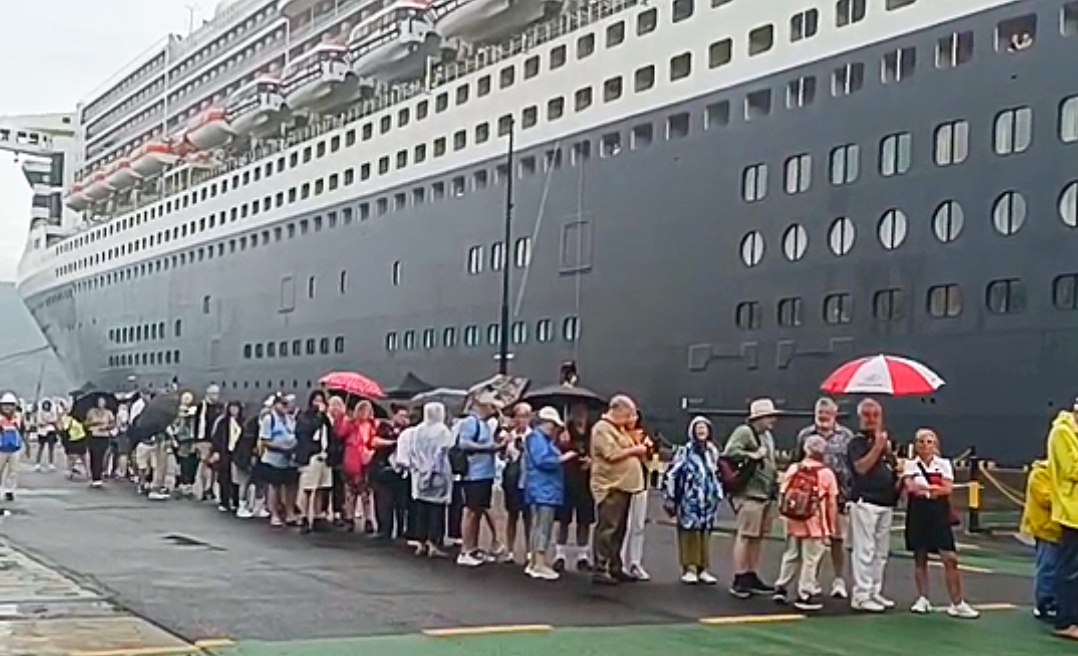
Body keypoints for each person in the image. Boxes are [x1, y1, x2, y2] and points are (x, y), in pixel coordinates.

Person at [902, 429, 979, 619]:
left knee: (950, 557)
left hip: (938, 513)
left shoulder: (944, 465)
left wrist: (926, 490)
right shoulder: (910, 465)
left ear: (935, 445)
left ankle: (957, 602)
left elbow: (947, 489)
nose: (925, 445)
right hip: (918, 512)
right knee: (920, 556)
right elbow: (910, 487)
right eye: (921, 442)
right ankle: (922, 598)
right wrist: (931, 489)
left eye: (929, 441)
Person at [796, 397, 856, 599]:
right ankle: (811, 581)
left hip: (838, 498)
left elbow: (852, 466)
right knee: (813, 543)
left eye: (827, 414)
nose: (823, 418)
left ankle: (839, 580)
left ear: (835, 414)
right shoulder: (805, 435)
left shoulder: (846, 436)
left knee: (838, 540)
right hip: (811, 501)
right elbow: (797, 462)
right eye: (820, 414)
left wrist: (850, 495)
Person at [723, 398, 781, 599]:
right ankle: (740, 577)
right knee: (746, 535)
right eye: (770, 416)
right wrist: (753, 455)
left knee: (757, 536)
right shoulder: (744, 432)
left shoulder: (768, 436)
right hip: (749, 493)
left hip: (764, 494)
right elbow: (730, 452)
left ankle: (751, 574)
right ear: (759, 418)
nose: (773, 420)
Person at [773, 435, 838, 611]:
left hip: (793, 519)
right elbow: (831, 502)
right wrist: (831, 526)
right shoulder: (826, 473)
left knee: (791, 554)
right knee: (811, 559)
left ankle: (781, 586)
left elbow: (783, 492)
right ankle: (805, 593)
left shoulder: (794, 468)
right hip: (814, 522)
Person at [847, 398, 899, 613]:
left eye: (875, 415)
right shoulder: (856, 443)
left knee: (880, 551)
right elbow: (861, 468)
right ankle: (861, 594)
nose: (871, 419)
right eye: (867, 415)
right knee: (865, 549)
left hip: (886, 502)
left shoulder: (887, 442)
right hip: (865, 502)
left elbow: (892, 468)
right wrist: (877, 448)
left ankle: (874, 591)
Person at [589, 395, 646, 585]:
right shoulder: (602, 429)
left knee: (620, 528)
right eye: (628, 413)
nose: (631, 417)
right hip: (611, 486)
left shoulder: (619, 429)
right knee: (608, 527)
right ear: (618, 410)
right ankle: (601, 567)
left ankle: (615, 565)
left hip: (625, 486)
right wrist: (635, 450)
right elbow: (611, 454)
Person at [663, 416, 722, 585]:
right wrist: (670, 497)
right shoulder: (685, 451)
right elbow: (672, 474)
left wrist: (718, 494)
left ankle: (703, 568)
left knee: (704, 533)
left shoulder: (712, 452)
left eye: (704, 428)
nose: (701, 431)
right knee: (689, 533)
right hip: (690, 500)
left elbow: (716, 474)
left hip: (708, 502)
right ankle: (689, 568)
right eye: (698, 428)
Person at [523, 407, 576, 580]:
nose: (554, 429)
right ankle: (538, 563)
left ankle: (534, 562)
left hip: (542, 487)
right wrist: (563, 458)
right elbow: (542, 461)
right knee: (543, 526)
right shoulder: (538, 439)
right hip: (544, 488)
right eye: (553, 425)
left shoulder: (541, 439)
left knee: (538, 525)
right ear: (545, 423)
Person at [455, 394, 505, 567]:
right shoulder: (471, 422)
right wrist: (488, 448)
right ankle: (465, 550)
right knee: (470, 511)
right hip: (474, 473)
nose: (495, 410)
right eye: (493, 406)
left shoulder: (484, 425)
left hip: (485, 473)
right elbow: (464, 443)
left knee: (477, 511)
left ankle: (474, 548)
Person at [1047, 399, 1078, 640]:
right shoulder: (1062, 433)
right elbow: (1072, 469)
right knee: (1069, 569)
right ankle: (1065, 620)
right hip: (1072, 512)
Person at [409, 402, 455, 558]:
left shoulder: (417, 431)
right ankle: (433, 542)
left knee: (422, 508)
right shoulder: (442, 431)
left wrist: (421, 469)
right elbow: (443, 452)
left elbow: (413, 452)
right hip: (438, 473)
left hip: (420, 473)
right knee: (436, 509)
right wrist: (433, 470)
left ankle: (421, 541)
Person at [554, 403, 595, 572]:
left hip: (586, 481)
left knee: (584, 520)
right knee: (563, 519)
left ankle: (582, 556)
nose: (579, 415)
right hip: (567, 478)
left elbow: (599, 452)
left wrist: (592, 461)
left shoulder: (593, 432)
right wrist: (560, 442)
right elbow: (554, 452)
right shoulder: (564, 431)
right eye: (576, 412)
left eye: (582, 412)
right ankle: (560, 555)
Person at [1021, 458, 1061, 621]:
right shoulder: (1041, 473)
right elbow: (1046, 498)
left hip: (1065, 527)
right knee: (1048, 566)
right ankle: (1045, 603)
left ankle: (1060, 602)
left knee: (1064, 569)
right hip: (1046, 528)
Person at [620, 409, 654, 581]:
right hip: (624, 484)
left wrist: (646, 449)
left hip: (641, 483)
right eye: (629, 415)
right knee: (624, 524)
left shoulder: (643, 435)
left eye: (634, 416)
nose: (632, 419)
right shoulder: (619, 434)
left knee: (638, 525)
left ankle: (635, 562)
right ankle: (621, 562)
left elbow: (651, 453)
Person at [370, 404, 411, 540]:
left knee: (401, 503)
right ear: (394, 416)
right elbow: (374, 441)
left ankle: (401, 530)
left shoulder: (409, 431)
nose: (404, 419)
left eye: (406, 416)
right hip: (383, 468)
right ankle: (384, 529)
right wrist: (393, 442)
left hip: (401, 472)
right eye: (401, 415)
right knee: (383, 502)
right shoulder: (384, 427)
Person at [295, 391, 333, 534]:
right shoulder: (305, 417)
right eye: (316, 401)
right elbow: (305, 431)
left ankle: (318, 517)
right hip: (311, 455)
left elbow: (330, 433)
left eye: (321, 401)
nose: (319, 404)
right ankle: (303, 516)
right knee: (307, 488)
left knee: (322, 488)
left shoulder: (325, 419)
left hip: (324, 455)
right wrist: (319, 416)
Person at [259, 394, 299, 528]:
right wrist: (281, 447)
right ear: (275, 405)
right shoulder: (269, 419)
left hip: (289, 458)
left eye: (287, 404)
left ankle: (290, 513)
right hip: (273, 458)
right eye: (283, 404)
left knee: (291, 486)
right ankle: (274, 514)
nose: (286, 407)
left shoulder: (290, 419)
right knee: (274, 486)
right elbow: (265, 441)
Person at [502, 403, 532, 564]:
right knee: (512, 515)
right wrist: (505, 443)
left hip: (527, 478)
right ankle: (510, 550)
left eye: (525, 416)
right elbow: (503, 457)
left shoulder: (532, 436)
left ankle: (529, 551)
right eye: (519, 416)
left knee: (528, 517)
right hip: (512, 479)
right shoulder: (509, 436)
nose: (521, 420)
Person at [341, 400, 377, 533]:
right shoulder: (351, 424)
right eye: (362, 410)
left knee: (365, 493)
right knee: (351, 492)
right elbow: (341, 433)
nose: (365, 413)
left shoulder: (371, 425)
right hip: (352, 459)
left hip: (365, 460)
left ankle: (368, 519)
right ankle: (350, 518)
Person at [211, 401, 245, 513]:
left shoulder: (243, 422)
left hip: (238, 453)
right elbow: (217, 438)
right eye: (232, 408)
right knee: (224, 477)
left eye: (236, 408)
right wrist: (216, 451)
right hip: (225, 452)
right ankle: (224, 501)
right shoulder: (223, 423)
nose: (234, 410)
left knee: (236, 479)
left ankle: (235, 501)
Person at [194, 385, 223, 501]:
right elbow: (198, 423)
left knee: (214, 465)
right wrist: (197, 440)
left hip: (215, 439)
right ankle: (206, 488)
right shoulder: (202, 406)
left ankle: (210, 487)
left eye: (216, 394)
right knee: (206, 463)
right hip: (204, 439)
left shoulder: (219, 407)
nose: (215, 396)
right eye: (213, 394)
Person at [171, 393, 199, 499]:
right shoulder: (177, 412)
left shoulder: (194, 411)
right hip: (182, 439)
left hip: (191, 439)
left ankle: (188, 483)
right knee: (183, 462)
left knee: (192, 461)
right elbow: (176, 425)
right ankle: (182, 482)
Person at [85, 396, 116, 488]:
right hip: (94, 435)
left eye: (103, 402)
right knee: (94, 456)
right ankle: (95, 477)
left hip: (104, 436)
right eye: (99, 402)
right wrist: (94, 423)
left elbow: (113, 423)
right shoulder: (91, 412)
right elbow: (86, 423)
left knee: (102, 456)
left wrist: (107, 427)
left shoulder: (108, 413)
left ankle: (100, 475)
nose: (101, 404)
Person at [0, 393, 24, 501]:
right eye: (5, 405)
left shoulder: (18, 418)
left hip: (15, 448)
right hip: (1, 449)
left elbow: (22, 431)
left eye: (10, 405)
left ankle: (9, 491)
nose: (7, 407)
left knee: (13, 471)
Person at [61, 407, 88, 481]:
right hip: (72, 440)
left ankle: (87, 472)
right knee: (72, 457)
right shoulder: (68, 419)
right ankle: (69, 471)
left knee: (83, 456)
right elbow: (65, 429)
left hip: (81, 439)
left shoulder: (81, 419)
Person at [34, 399, 59, 472]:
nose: (46, 406)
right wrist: (46, 422)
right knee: (41, 447)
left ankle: (51, 463)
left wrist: (48, 422)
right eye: (45, 405)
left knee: (51, 448)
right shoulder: (40, 412)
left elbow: (54, 419)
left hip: (50, 431)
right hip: (42, 432)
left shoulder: (52, 412)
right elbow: (39, 421)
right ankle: (37, 463)